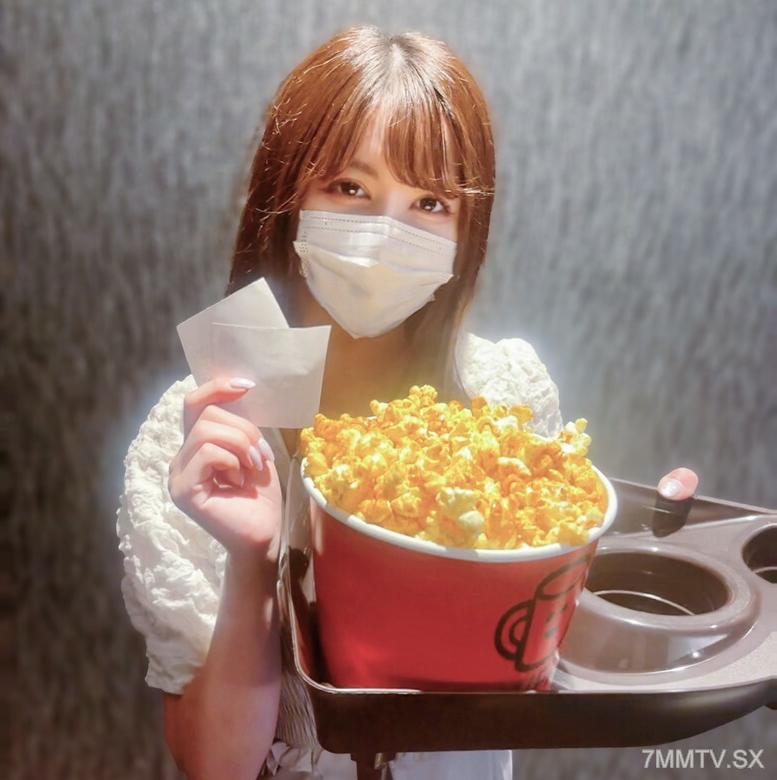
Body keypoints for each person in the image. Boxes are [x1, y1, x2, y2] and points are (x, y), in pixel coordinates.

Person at [117, 26, 698, 779]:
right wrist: (253, 563)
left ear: (466, 232)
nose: (385, 234)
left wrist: (659, 554)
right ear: (285, 197)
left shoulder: (503, 397)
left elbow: (547, 654)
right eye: (350, 188)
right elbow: (215, 765)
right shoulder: (204, 432)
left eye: (429, 202)